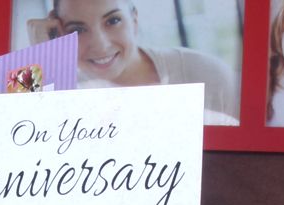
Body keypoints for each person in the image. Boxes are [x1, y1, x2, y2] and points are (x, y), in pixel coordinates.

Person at [28, 0, 239, 122]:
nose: (100, 45)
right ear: (59, 32)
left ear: (134, 20)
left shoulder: (206, 74)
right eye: (78, 29)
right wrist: (37, 57)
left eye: (113, 21)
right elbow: (14, 136)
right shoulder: (53, 84)